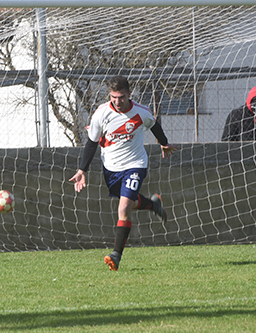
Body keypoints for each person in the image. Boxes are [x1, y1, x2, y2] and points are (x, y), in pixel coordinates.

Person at [69, 76, 176, 271]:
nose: (117, 101)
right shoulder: (101, 114)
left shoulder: (140, 112)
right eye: (113, 97)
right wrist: (81, 170)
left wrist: (163, 142)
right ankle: (153, 204)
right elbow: (92, 143)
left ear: (129, 94)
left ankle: (116, 256)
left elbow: (153, 125)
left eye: (121, 97)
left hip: (135, 165)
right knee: (130, 202)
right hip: (110, 169)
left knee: (124, 207)